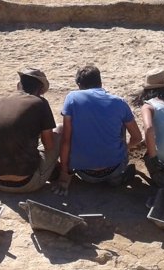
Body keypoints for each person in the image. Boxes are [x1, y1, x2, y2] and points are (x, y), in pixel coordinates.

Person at [53, 65, 142, 195]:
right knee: (120, 124)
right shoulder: (120, 102)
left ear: (79, 85)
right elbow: (137, 137)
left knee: (63, 128)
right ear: (100, 83)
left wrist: (64, 174)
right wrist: (124, 148)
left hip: (85, 173)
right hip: (115, 168)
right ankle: (116, 177)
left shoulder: (72, 98)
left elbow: (66, 140)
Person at [0, 69, 59, 193]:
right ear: (41, 91)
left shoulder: (0, 101)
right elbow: (49, 145)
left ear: (18, 85)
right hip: (26, 182)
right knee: (60, 131)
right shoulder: (40, 103)